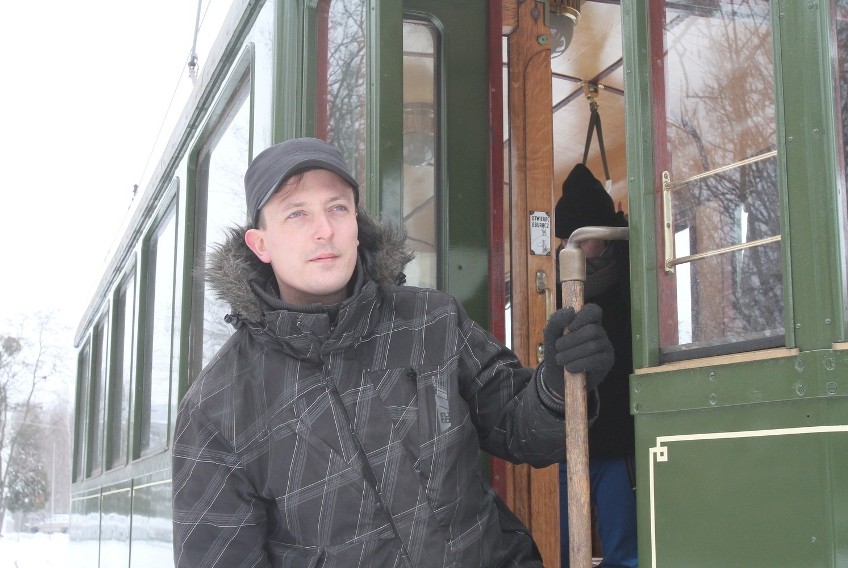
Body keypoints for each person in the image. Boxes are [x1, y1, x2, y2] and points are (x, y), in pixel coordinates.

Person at [171, 137, 615, 567]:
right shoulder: (218, 408)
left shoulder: (432, 320)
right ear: (260, 244)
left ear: (356, 226)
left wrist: (557, 386)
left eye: (337, 208)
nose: (324, 230)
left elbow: (522, 430)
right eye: (296, 214)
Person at [554, 163, 637, 568]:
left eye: (580, 240)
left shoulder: (633, 276)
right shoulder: (558, 287)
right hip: (571, 432)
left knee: (624, 550)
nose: (573, 253)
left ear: (601, 236)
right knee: (565, 547)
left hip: (619, 432)